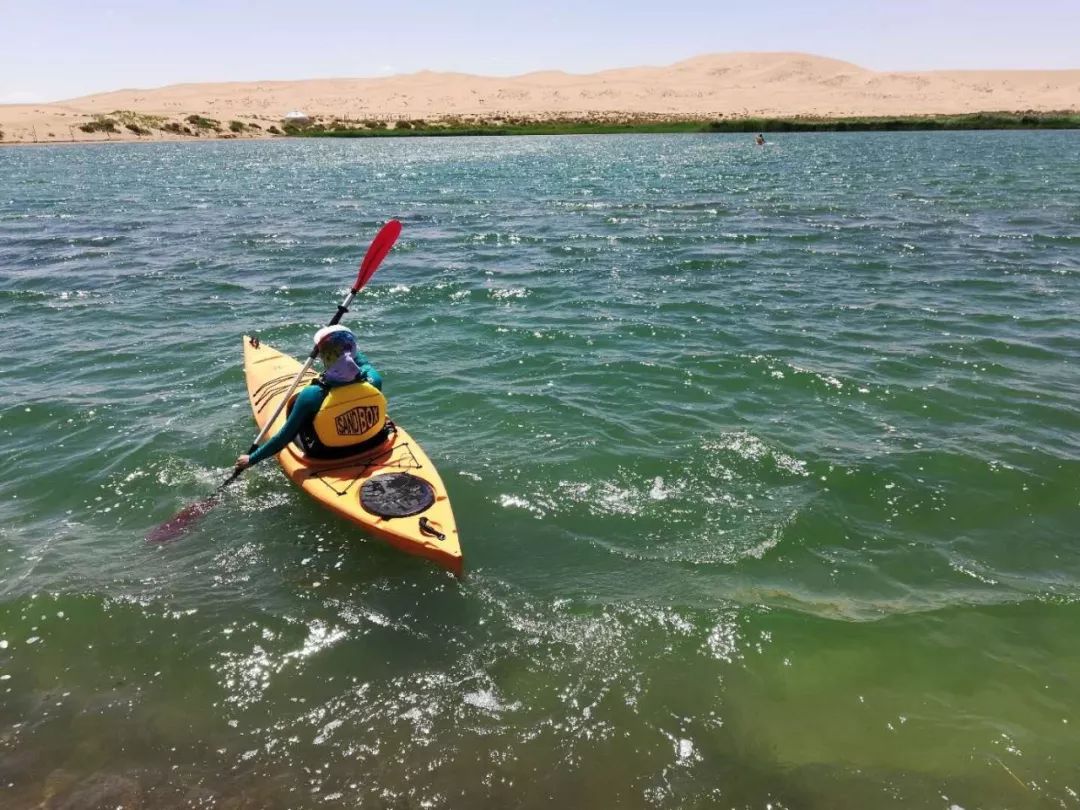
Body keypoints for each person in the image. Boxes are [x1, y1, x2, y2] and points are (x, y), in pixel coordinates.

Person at [236, 325, 385, 468]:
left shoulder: (312, 395)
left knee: (296, 409)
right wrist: (343, 343)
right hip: (372, 442)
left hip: (329, 455)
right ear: (352, 349)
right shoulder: (373, 380)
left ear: (323, 356)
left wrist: (251, 459)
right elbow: (362, 362)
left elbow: (284, 437)